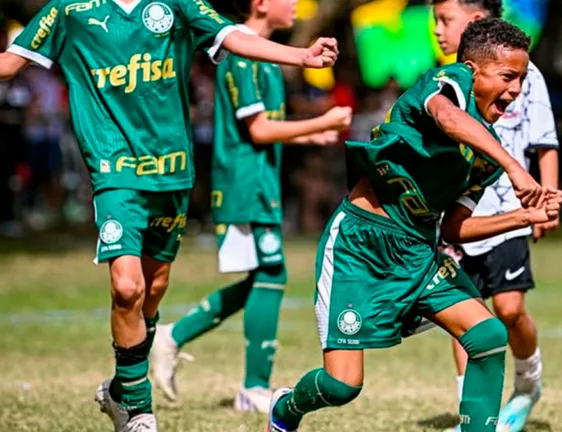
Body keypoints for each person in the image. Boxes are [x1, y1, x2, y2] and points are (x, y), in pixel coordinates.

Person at [0, 1, 338, 431]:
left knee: (154, 287)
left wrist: (301, 55)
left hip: (172, 171)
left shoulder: (179, 3)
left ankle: (123, 388)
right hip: (114, 171)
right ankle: (139, 413)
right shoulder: (69, 10)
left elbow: (231, 36)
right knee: (127, 288)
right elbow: (11, 63)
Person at [266, 18, 562, 432]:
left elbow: (455, 230)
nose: (515, 90)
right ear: (474, 72)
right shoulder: (447, 81)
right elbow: (446, 119)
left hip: (419, 253)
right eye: (508, 77)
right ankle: (285, 409)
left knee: (488, 335)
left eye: (522, 80)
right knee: (341, 385)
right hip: (359, 247)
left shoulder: (486, 154)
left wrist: (524, 216)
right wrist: (515, 167)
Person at [149, 0, 353, 413]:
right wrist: (323, 122)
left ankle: (172, 337)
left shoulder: (266, 56)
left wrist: (305, 137)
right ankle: (252, 387)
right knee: (272, 273)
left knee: (263, 277)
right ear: (260, 3)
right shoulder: (241, 55)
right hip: (243, 182)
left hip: (259, 180)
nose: (296, 5)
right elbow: (258, 130)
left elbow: (266, 127)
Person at [431, 1, 559, 430]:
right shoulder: (443, 81)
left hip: (509, 209)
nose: (437, 30)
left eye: (445, 20)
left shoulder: (524, 74)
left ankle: (528, 383)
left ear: (478, 22)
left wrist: (545, 201)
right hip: (457, 216)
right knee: (463, 313)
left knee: (508, 310)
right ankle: (473, 415)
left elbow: (545, 140)